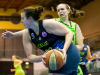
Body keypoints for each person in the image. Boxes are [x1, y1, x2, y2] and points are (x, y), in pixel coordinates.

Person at [1, 3, 84, 75]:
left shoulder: (47, 24)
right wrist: (42, 57)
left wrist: (64, 50)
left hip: (68, 52)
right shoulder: (27, 34)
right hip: (54, 56)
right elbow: (30, 57)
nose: (21, 21)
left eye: (23, 18)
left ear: (30, 18)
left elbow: (69, 33)